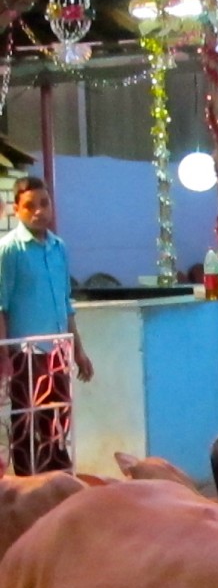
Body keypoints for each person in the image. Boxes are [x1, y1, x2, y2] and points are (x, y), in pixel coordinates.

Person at [0, 175, 94, 475]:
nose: (39, 211)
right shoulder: (9, 250)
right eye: (30, 206)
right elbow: (1, 306)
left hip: (57, 350)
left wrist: (78, 351)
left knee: (58, 419)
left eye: (44, 203)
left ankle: (58, 481)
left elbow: (66, 303)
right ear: (17, 209)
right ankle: (29, 490)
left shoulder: (59, 248)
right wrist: (5, 357)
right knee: (28, 425)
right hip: (24, 353)